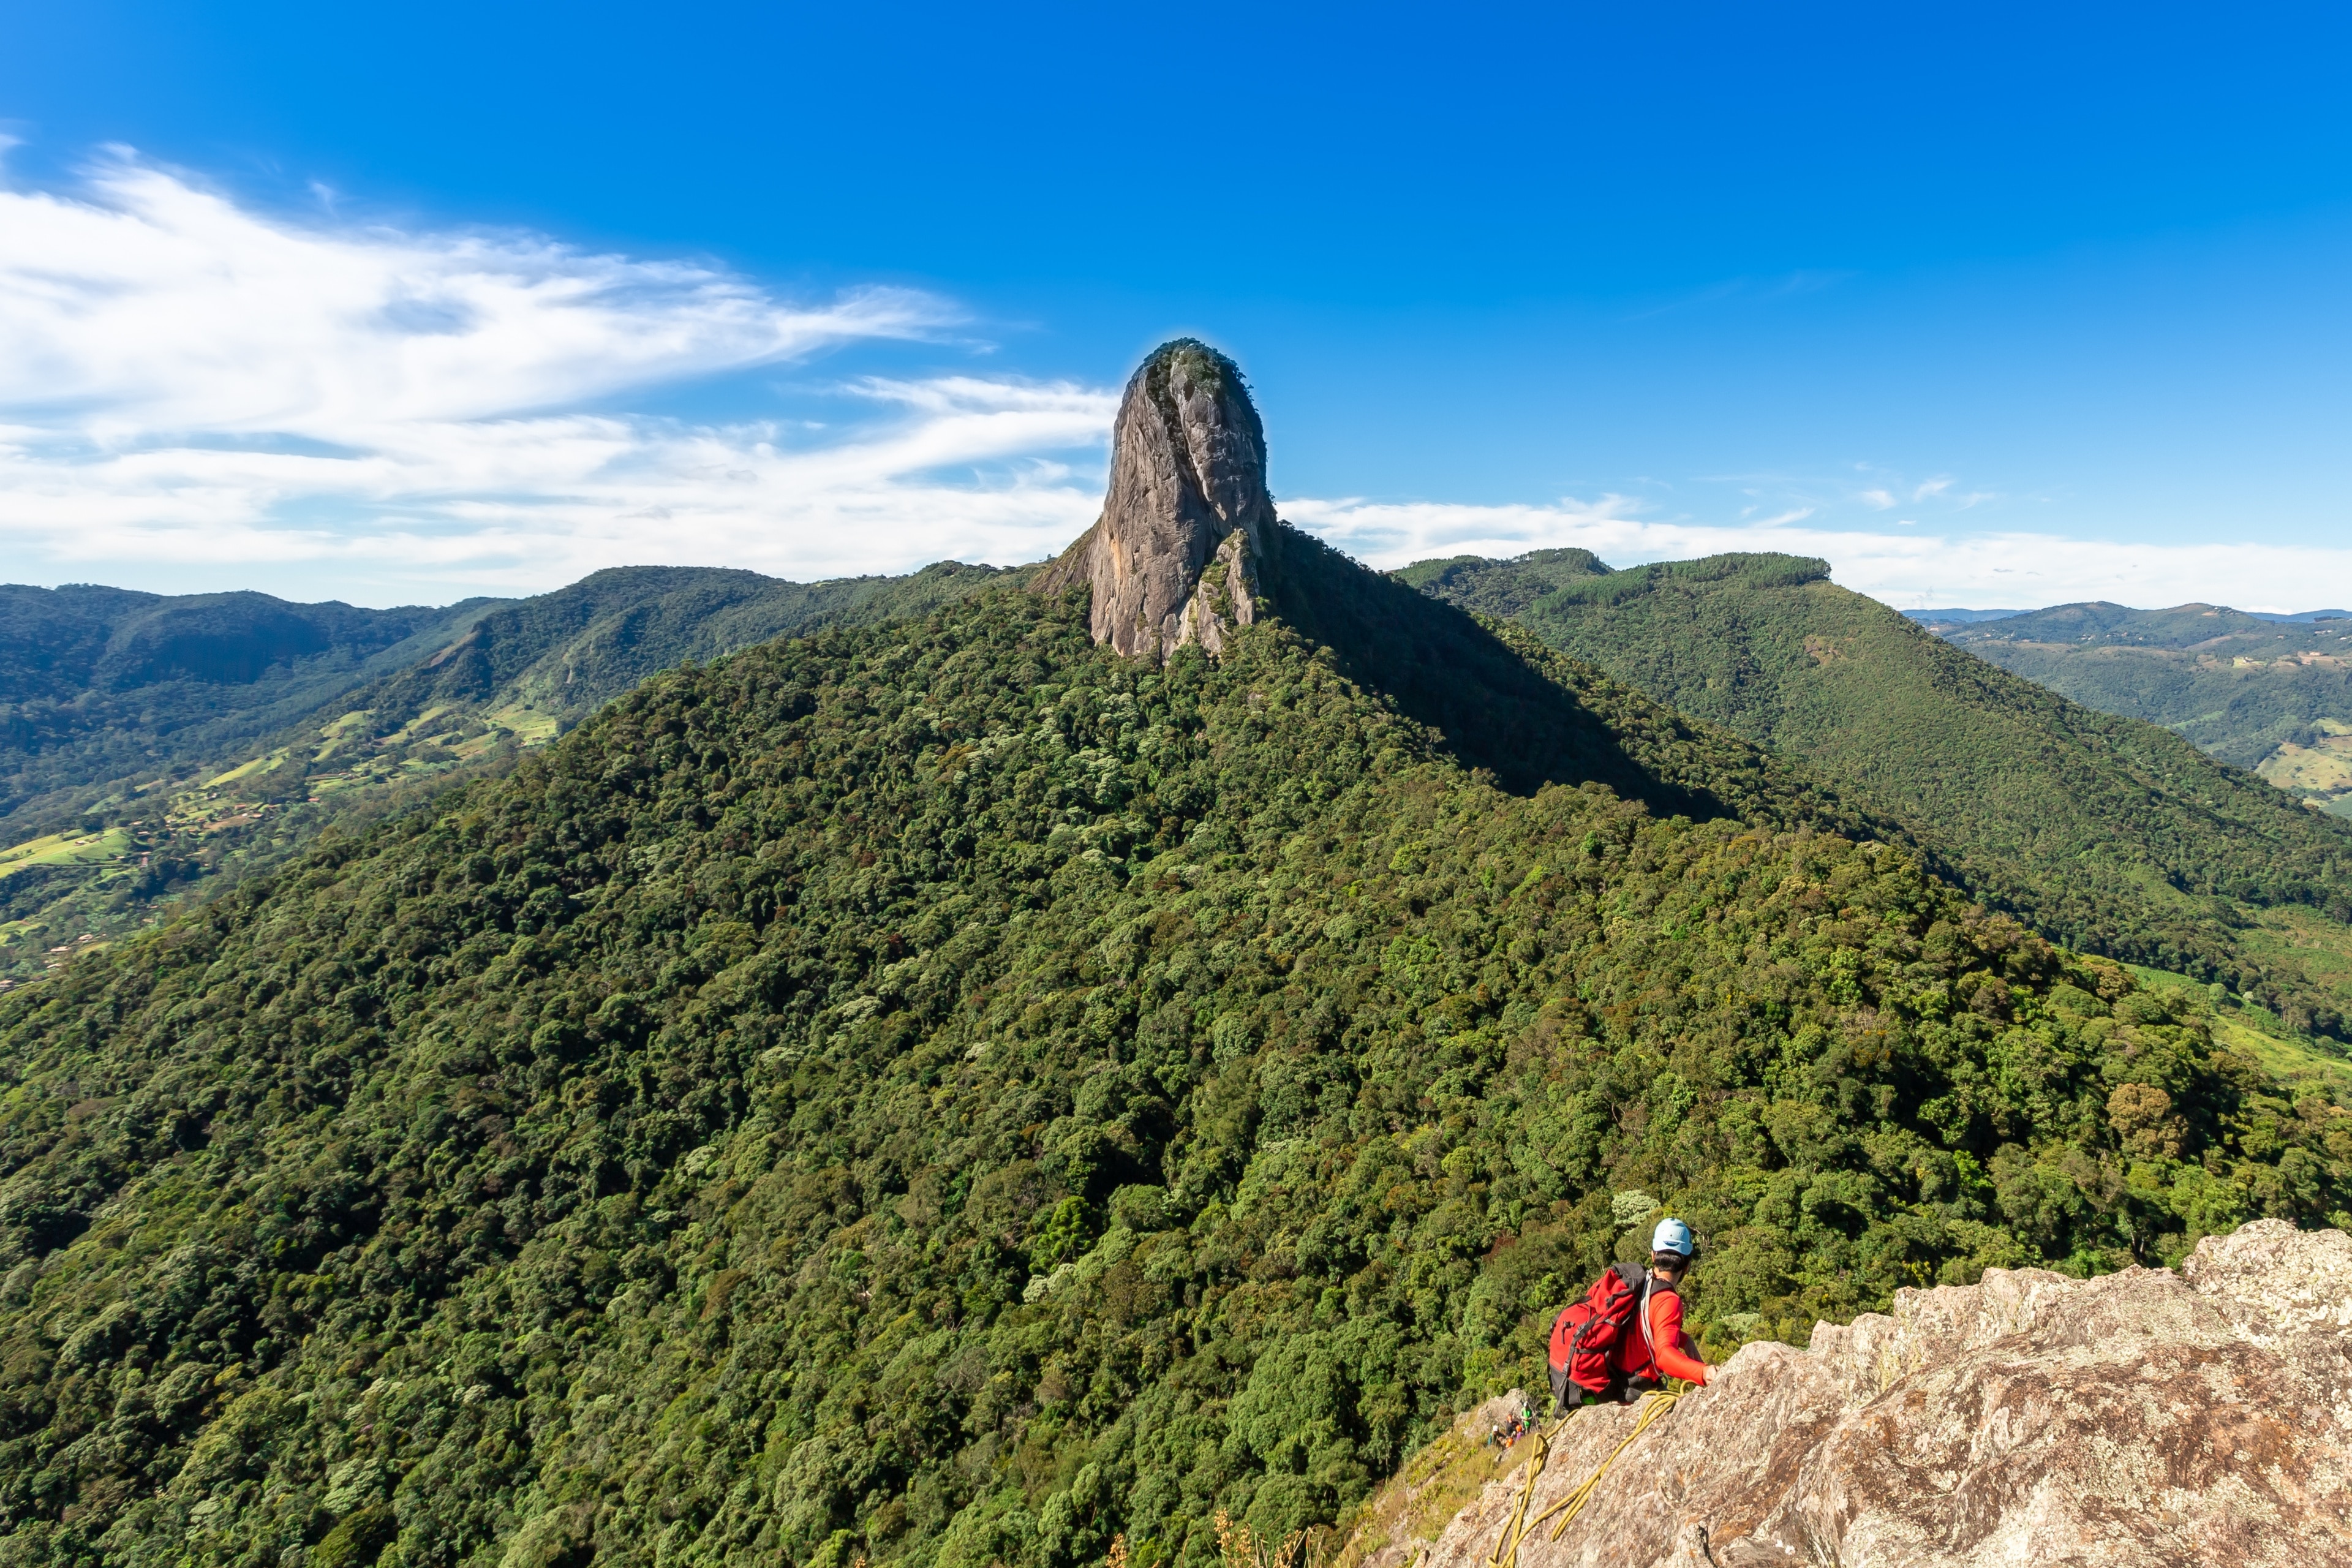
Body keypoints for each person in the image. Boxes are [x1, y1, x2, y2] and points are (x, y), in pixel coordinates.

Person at [1547, 1217, 1712, 1411]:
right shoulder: (1668, 1300)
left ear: (1653, 1255)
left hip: (1610, 1378)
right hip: (1633, 1390)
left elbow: (1645, 1325)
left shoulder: (1637, 1284)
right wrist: (1704, 1372)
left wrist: (1685, 1340)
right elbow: (1664, 1357)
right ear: (1687, 1265)